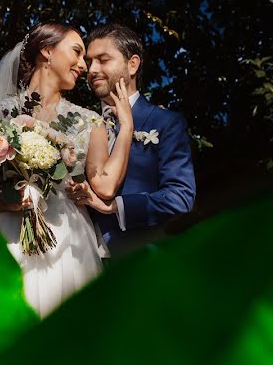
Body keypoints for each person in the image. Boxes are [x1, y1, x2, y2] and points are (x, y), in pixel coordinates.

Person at [0, 22, 135, 318]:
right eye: (76, 52)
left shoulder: (90, 122)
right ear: (47, 52)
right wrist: (3, 201)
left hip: (70, 242)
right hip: (6, 234)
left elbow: (105, 186)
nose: (83, 65)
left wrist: (126, 127)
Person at [68, 23, 196, 258]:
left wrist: (115, 207)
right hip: (77, 259)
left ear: (132, 64)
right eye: (90, 61)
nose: (92, 69)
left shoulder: (165, 122)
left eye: (103, 59)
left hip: (139, 261)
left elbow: (180, 198)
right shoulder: (76, 125)